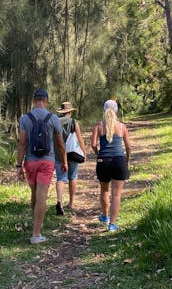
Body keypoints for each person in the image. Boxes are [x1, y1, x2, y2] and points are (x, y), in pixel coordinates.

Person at [16, 89, 68, 244]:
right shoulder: (53, 118)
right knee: (41, 196)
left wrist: (18, 165)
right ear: (46, 101)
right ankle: (36, 234)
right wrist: (64, 161)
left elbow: (22, 144)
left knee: (35, 194)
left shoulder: (25, 118)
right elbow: (60, 143)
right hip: (47, 161)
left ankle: (36, 225)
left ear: (33, 101)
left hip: (30, 161)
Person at [91, 99, 131, 232]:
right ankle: (112, 224)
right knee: (116, 194)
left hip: (103, 161)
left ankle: (105, 216)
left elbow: (93, 144)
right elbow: (128, 147)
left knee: (104, 190)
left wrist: (99, 154)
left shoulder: (98, 126)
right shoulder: (121, 126)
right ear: (116, 110)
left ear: (104, 110)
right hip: (119, 160)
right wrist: (126, 159)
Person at [54, 101, 88, 215]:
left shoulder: (55, 122)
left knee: (60, 178)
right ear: (70, 112)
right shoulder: (73, 122)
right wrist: (84, 152)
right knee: (72, 176)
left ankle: (59, 201)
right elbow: (79, 138)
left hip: (58, 153)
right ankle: (71, 202)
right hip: (72, 153)